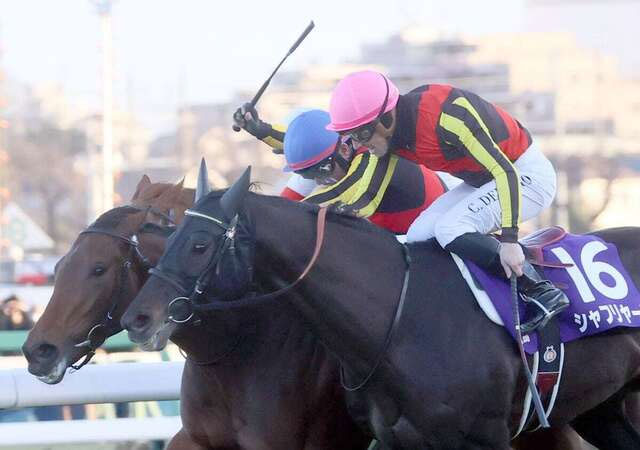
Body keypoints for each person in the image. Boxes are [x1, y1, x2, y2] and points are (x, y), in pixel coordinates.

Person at [325, 70, 569, 333]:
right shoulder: (389, 137)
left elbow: (505, 172)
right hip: (483, 181)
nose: (359, 145)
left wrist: (510, 239)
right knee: (418, 235)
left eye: (361, 135)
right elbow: (367, 196)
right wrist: (334, 218)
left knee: (449, 228)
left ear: (385, 119)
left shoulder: (446, 117)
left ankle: (540, 290)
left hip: (523, 175)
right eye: (350, 137)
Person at [233, 105, 451, 235]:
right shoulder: (340, 147)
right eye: (309, 174)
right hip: (391, 225)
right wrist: (259, 128)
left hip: (429, 225)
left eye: (323, 171)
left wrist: (268, 215)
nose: (320, 181)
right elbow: (297, 140)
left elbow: (342, 191)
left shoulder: (370, 157)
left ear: (345, 150)